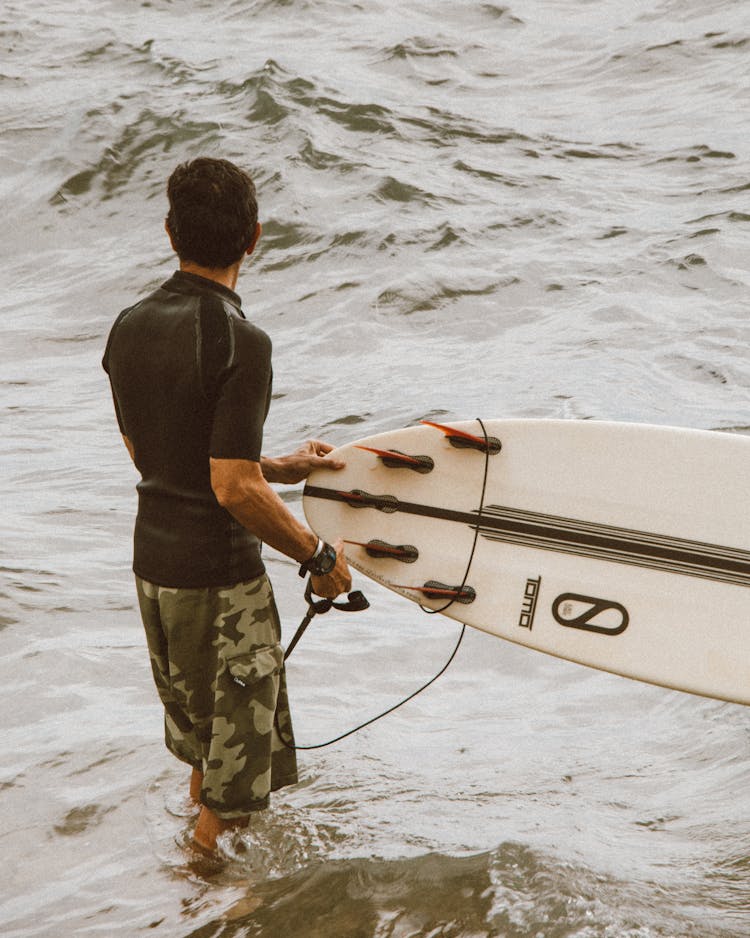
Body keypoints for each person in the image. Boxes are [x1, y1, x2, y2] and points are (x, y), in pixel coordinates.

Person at [102, 156, 351, 854]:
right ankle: (202, 904)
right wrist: (319, 556)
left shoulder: (128, 324)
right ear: (254, 238)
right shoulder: (243, 340)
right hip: (218, 585)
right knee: (235, 792)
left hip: (154, 572)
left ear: (169, 231)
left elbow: (153, 456)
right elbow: (230, 488)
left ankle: (190, 890)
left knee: (206, 758)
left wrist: (276, 466)